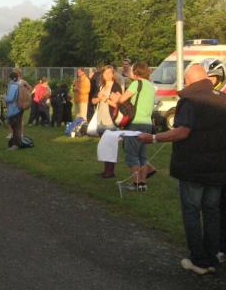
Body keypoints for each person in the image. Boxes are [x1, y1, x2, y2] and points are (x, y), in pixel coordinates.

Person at [139, 63, 226, 275]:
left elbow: (182, 131)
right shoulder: (222, 99)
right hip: (218, 166)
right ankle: (213, 255)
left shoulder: (190, 100)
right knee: (212, 211)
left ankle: (198, 259)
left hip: (192, 166)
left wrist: (153, 138)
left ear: (188, 80)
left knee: (192, 210)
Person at [116, 61, 156, 191]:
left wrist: (117, 97)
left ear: (136, 71)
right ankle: (142, 184)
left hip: (134, 123)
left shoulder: (135, 84)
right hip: (147, 123)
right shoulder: (150, 85)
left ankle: (136, 183)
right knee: (142, 155)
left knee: (132, 154)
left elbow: (122, 100)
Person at [91, 65, 121, 178]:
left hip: (110, 120)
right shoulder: (101, 86)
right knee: (104, 145)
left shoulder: (116, 86)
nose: (108, 74)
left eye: (110, 72)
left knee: (111, 146)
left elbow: (118, 104)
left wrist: (105, 99)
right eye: (106, 72)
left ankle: (111, 171)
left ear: (113, 74)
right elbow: (93, 101)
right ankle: (106, 170)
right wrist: (99, 98)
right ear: (102, 74)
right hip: (101, 118)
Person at [4, 70, 22, 149]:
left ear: (12, 78)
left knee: (15, 128)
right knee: (16, 127)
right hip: (17, 109)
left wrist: (4, 97)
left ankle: (16, 145)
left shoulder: (13, 86)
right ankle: (16, 143)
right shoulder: (18, 85)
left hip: (14, 110)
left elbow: (10, 98)